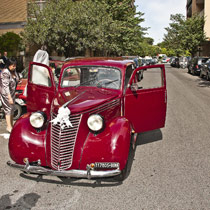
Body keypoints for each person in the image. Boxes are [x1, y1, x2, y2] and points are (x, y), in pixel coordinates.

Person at [0, 58, 19, 133]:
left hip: (12, 92)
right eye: (13, 66)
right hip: (6, 93)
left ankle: (11, 124)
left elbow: (16, 79)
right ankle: (8, 126)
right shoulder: (5, 72)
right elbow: (5, 86)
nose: (14, 67)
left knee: (12, 109)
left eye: (15, 66)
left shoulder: (13, 71)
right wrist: (9, 97)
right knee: (8, 109)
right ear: (8, 65)